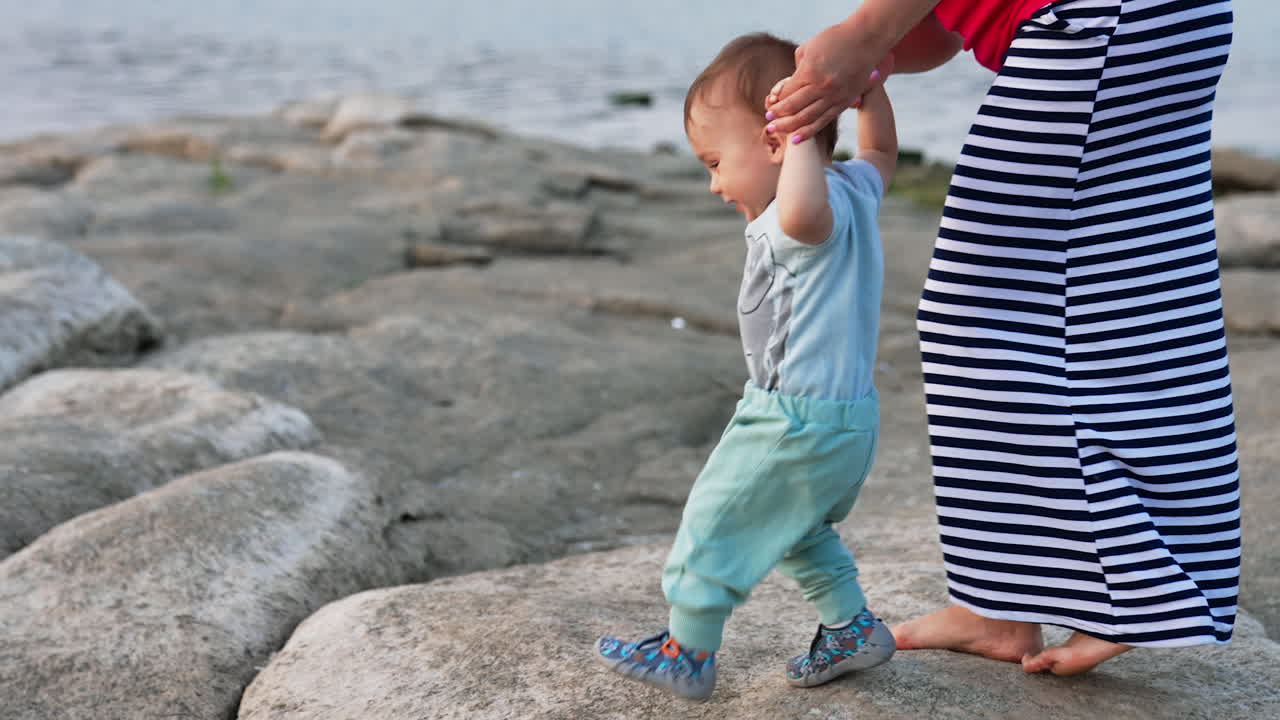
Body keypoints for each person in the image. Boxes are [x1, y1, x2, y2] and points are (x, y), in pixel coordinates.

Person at [768, 0, 1241, 676]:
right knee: (1132, 295)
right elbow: (954, 24)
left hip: (1100, 23)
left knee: (977, 313)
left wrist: (864, 34)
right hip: (1160, 21)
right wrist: (880, 49)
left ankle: (1114, 593)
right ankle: (1057, 592)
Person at [593, 32, 899, 700]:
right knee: (794, 525)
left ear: (773, 142)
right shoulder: (854, 187)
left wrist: (799, 131)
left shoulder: (801, 220)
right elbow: (879, 152)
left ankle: (688, 649)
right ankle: (851, 627)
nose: (713, 184)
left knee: (715, 515)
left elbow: (801, 206)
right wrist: (869, 84)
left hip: (793, 420)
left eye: (714, 161)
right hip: (845, 423)